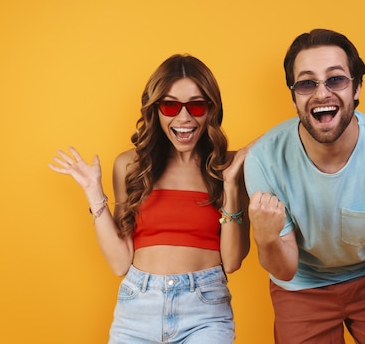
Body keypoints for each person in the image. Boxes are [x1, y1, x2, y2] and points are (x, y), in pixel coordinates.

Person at [49, 54, 251, 344]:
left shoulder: (228, 167)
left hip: (205, 312)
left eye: (196, 105)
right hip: (137, 308)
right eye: (170, 105)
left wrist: (230, 185)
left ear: (211, 109)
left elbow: (232, 261)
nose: (184, 118)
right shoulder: (131, 166)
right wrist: (94, 192)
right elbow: (120, 263)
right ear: (155, 110)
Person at [245, 29, 365, 343]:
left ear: (356, 88)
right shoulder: (264, 160)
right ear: (294, 96)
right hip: (301, 287)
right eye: (306, 83)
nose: (321, 93)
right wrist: (265, 239)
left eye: (336, 79)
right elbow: (285, 270)